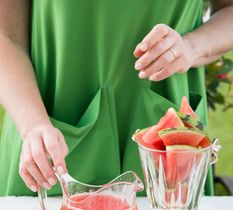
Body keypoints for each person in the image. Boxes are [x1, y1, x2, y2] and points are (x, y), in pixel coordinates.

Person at [0, 0, 233, 196]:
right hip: (44, 130)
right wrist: (33, 125)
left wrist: (192, 46)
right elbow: (5, 34)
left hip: (166, 138)